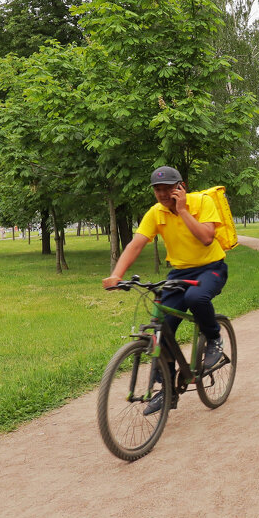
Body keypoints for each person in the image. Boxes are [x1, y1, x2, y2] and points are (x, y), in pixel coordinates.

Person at [103, 166, 228, 415]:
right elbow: (136, 243)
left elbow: (206, 238)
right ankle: (168, 390)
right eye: (157, 189)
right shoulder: (155, 213)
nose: (162, 193)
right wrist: (117, 275)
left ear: (181, 186)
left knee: (195, 297)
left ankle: (213, 337)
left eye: (168, 187)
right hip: (180, 273)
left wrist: (182, 211)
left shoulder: (202, 202)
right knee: (162, 325)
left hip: (210, 268)